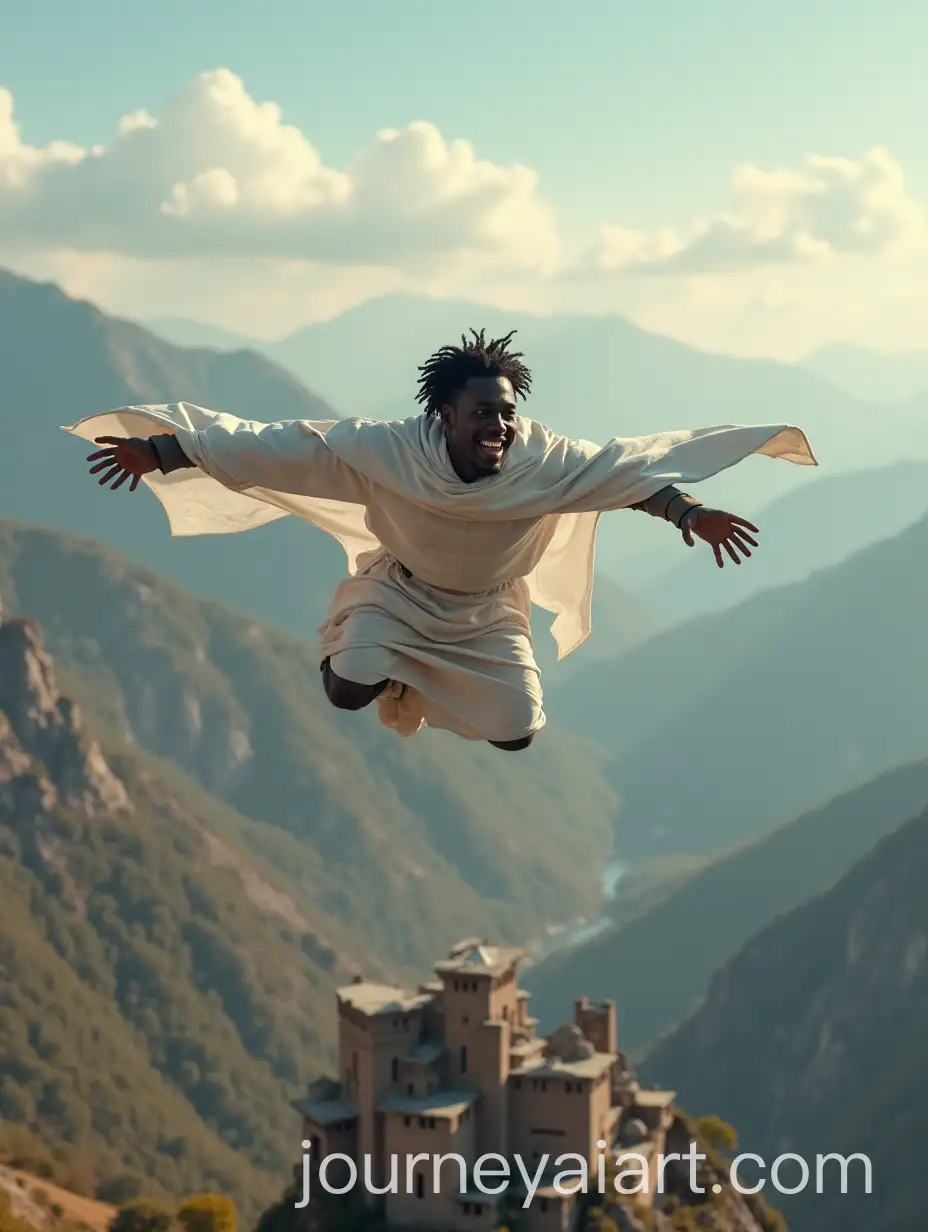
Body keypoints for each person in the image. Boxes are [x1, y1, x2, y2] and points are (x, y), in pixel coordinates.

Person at [65, 328, 816, 750]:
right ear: (446, 415)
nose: (499, 423)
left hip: (488, 613)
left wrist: (691, 515)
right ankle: (370, 654)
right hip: (400, 592)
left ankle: (417, 677)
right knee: (348, 689)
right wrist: (162, 452)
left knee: (518, 733)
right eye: (484, 412)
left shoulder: (544, 461)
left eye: (507, 412)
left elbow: (625, 476)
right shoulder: (390, 451)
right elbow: (276, 444)